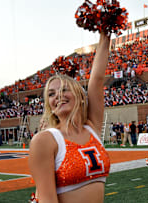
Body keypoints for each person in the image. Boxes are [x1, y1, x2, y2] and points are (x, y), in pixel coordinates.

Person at [29, 33, 111, 202]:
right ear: (48, 103)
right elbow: (47, 200)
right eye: (51, 94)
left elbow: (96, 80)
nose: (58, 95)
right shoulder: (45, 140)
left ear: (80, 96)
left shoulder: (91, 127)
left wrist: (105, 37)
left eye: (65, 89)